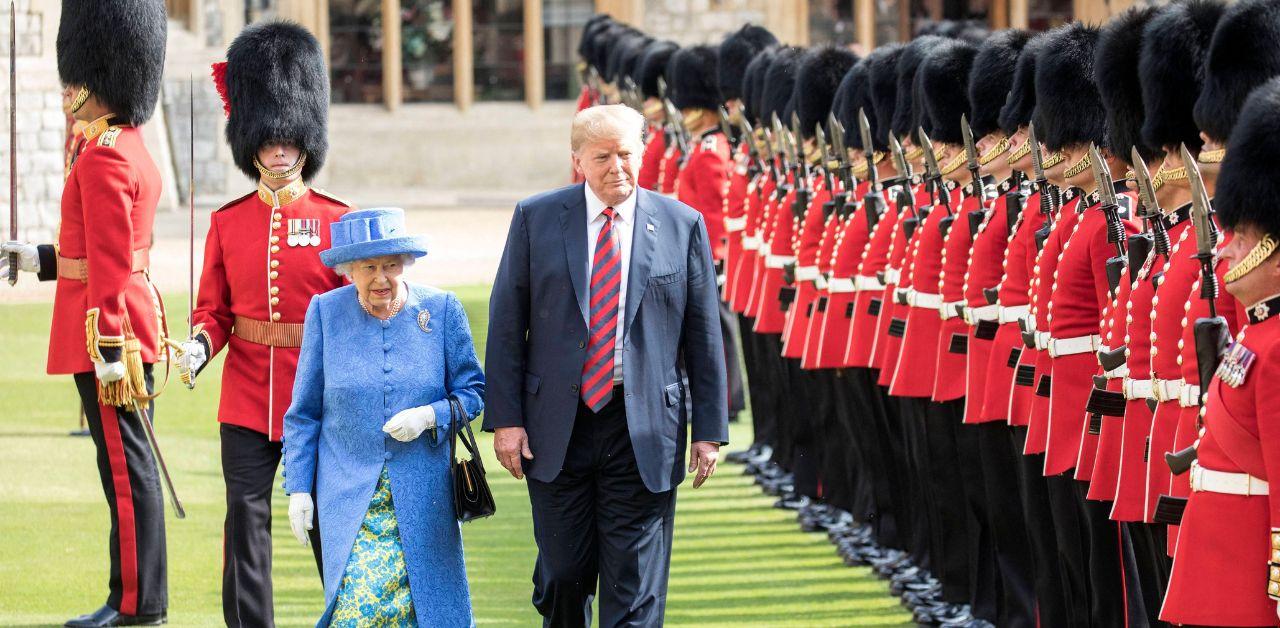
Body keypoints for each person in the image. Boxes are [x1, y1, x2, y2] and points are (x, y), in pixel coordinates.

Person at [484, 103, 728, 627]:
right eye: (602, 157)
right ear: (577, 161)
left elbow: (703, 337)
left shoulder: (683, 225)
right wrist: (506, 421)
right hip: (557, 428)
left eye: (626, 154)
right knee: (564, 574)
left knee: (634, 586)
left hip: (643, 427)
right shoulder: (537, 218)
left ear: (642, 153)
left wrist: (708, 430)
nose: (617, 167)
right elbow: (506, 326)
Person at [173, 21, 346, 626]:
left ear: (304, 140)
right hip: (245, 396)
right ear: (250, 141)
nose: (277, 148)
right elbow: (214, 310)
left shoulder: (334, 221)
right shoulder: (228, 222)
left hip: (314, 395)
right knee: (245, 521)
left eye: (288, 138)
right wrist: (198, 345)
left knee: (330, 518)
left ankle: (347, 615)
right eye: (267, 138)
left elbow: (354, 312)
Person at [1, 1, 169, 625]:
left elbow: (107, 264)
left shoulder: (100, 157)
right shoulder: (127, 146)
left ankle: (135, 605)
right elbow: (94, 249)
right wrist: (38, 257)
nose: (70, 90)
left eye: (78, 79)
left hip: (111, 335)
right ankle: (135, 596)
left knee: (125, 475)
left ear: (101, 80)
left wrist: (107, 351)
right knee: (128, 468)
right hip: (128, 325)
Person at [282, 207, 484, 626]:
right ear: (348, 270)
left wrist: (429, 416)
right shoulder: (325, 312)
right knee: (355, 610)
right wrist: (298, 489)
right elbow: (303, 414)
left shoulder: (442, 311)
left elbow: (474, 394)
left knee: (422, 614)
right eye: (368, 267)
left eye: (390, 265)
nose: (380, 278)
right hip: (348, 496)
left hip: (424, 498)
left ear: (405, 265)